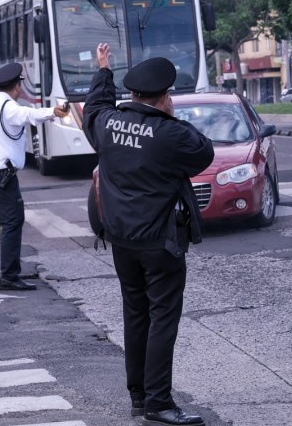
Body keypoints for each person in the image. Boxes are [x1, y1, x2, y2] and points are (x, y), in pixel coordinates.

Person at [83, 43, 214, 425]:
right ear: (164, 96)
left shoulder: (106, 123)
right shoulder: (169, 133)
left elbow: (94, 106)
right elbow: (202, 152)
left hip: (121, 241)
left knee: (136, 315)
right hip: (160, 243)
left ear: (133, 93)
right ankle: (158, 403)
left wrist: (102, 70)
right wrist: (169, 117)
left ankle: (139, 397)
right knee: (162, 319)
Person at [0, 62, 69, 291]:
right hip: (1, 175)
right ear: (17, 86)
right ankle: (9, 276)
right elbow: (27, 114)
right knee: (13, 221)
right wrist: (53, 111)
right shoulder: (9, 106)